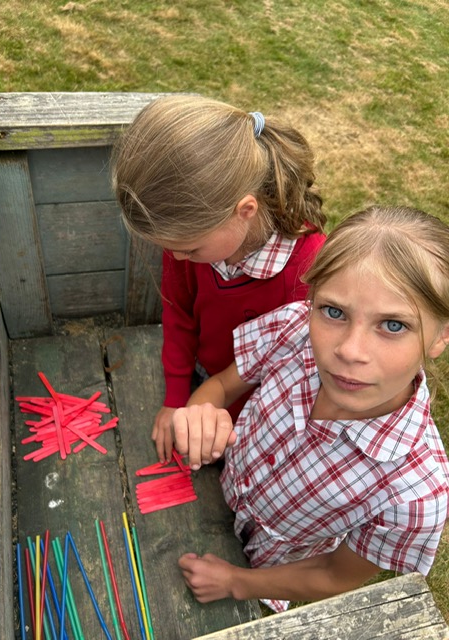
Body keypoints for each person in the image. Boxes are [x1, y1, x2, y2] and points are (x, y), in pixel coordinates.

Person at [172, 205, 449, 611]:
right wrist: (200, 410)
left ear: (440, 337)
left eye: (393, 325)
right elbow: (220, 385)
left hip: (265, 572)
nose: (349, 351)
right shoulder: (294, 329)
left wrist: (237, 582)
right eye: (333, 311)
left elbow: (334, 574)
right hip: (212, 494)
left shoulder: (416, 495)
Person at [113, 95, 326, 462]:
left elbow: (299, 370)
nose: (178, 258)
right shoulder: (193, 237)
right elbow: (178, 313)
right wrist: (176, 398)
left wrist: (235, 422)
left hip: (264, 408)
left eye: (190, 250)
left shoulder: (311, 271)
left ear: (245, 210)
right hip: (206, 381)